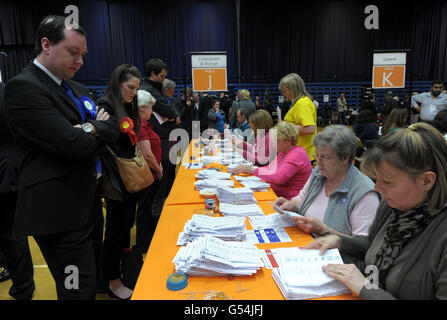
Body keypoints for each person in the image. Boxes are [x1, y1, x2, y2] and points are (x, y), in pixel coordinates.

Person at [4, 15, 119, 300]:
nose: (80, 61)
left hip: (88, 203)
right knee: (77, 290)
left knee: (88, 284)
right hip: (59, 212)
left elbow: (112, 127)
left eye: (82, 54)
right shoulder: (24, 87)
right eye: (73, 52)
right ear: (46, 44)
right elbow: (71, 144)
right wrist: (95, 129)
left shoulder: (75, 87)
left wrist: (90, 129)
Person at [305, 123, 447, 300]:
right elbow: (372, 247)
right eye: (376, 179)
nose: (377, 188)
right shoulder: (392, 208)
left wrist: (366, 288)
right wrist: (338, 240)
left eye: (388, 182)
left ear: (426, 181)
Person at [274, 125, 380, 239]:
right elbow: (302, 197)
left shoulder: (364, 193)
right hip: (306, 242)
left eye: (325, 157)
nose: (318, 162)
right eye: (317, 155)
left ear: (345, 158)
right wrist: (292, 204)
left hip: (336, 255)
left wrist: (324, 231)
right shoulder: (320, 173)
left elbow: (363, 245)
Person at [97, 64, 142, 300]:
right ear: (118, 83)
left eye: (137, 88)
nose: (134, 92)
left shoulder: (126, 106)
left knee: (124, 228)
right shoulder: (105, 106)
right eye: (130, 87)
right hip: (115, 179)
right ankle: (111, 281)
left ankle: (118, 272)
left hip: (129, 177)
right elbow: (106, 141)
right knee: (115, 232)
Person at [0, 82, 35, 300]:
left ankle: (23, 284)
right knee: (10, 233)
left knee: (10, 233)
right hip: (13, 166)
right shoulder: (10, 89)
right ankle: (20, 280)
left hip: (6, 172)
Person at [231, 121, 312, 200]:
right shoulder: (284, 152)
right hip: (278, 195)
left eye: (277, 141)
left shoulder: (297, 155)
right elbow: (269, 168)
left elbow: (278, 178)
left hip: (286, 201)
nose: (273, 144)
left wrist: (253, 170)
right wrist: (251, 169)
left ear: (289, 141)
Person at [135, 90, 162, 253]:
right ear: (143, 107)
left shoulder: (145, 124)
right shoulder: (140, 125)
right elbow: (146, 154)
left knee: (148, 208)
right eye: (150, 108)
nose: (152, 112)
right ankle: (144, 244)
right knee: (146, 210)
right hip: (148, 175)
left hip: (152, 173)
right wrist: (158, 170)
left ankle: (148, 240)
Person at [279, 73, 317, 162]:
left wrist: (285, 126)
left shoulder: (302, 103)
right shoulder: (299, 102)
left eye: (284, 91)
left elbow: (310, 129)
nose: (283, 94)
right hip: (300, 152)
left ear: (293, 90)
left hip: (304, 154)